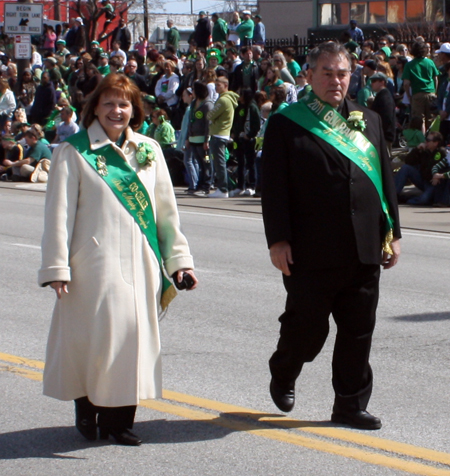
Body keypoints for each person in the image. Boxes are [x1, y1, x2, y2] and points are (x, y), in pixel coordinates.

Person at [38, 73, 197, 447]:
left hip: (141, 264)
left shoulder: (149, 150)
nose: (116, 110)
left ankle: (119, 421)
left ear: (134, 110)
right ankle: (87, 406)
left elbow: (166, 214)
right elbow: (58, 215)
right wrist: (57, 266)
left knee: (131, 340)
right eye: (108, 103)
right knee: (93, 342)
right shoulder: (73, 152)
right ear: (95, 107)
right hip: (91, 264)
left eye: (124, 104)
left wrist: (180, 262)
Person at [261, 41, 401, 430]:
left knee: (358, 331)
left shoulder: (368, 119)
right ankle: (285, 370)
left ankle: (349, 404)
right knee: (306, 327)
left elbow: (385, 179)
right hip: (310, 248)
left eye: (342, 73)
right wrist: (278, 239)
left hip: (364, 244)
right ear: (309, 75)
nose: (336, 81)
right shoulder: (287, 122)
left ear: (351, 76)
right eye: (327, 73)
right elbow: (273, 187)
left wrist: (393, 233)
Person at [205, 76, 239, 198]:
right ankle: (227, 187)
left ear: (225, 85)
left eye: (218, 85)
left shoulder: (223, 100)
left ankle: (223, 189)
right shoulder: (226, 99)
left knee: (219, 163)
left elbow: (210, 115)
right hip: (222, 134)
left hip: (219, 134)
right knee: (220, 163)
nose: (216, 87)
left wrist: (211, 115)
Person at [395, 131, 447, 205]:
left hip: (434, 183)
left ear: (436, 143)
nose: (426, 142)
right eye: (426, 139)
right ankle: (393, 194)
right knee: (405, 168)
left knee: (423, 200)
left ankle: (407, 199)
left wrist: (438, 176)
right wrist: (416, 150)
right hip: (423, 179)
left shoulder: (442, 152)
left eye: (428, 140)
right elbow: (408, 161)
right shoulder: (424, 150)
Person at [402, 41, 440, 130]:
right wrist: (435, 91)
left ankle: (421, 139)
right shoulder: (430, 62)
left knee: (419, 120)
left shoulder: (409, 65)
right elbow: (436, 78)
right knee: (431, 118)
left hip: (417, 94)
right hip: (430, 92)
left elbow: (406, 83)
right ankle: (431, 140)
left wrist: (409, 96)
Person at [370, 72, 396, 155]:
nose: (372, 83)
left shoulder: (385, 97)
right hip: (380, 136)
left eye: (374, 81)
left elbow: (386, 118)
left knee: (385, 161)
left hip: (384, 137)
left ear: (382, 82)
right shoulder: (381, 96)